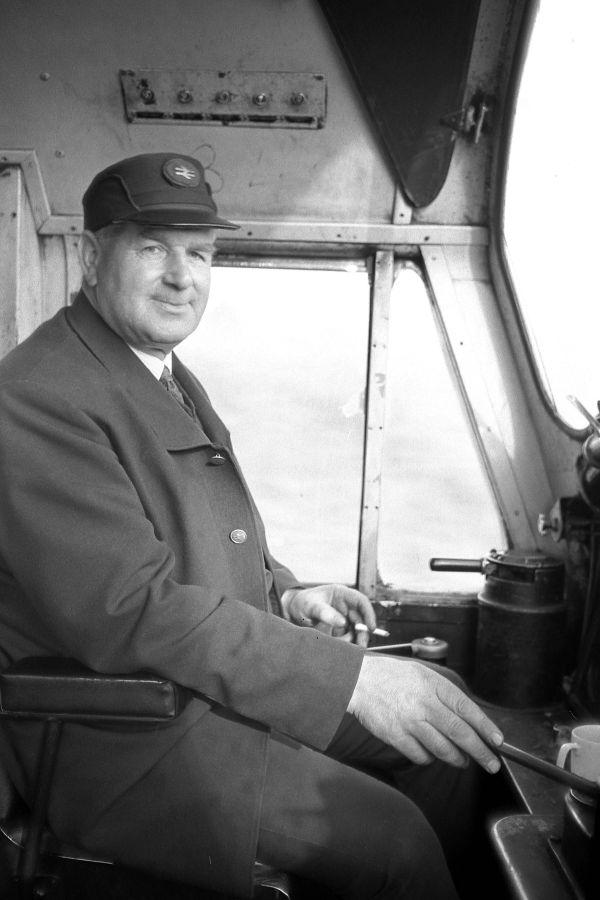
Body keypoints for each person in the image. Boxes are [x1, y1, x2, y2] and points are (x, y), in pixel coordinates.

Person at [0, 152, 503, 900]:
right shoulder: (40, 396)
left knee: (448, 728)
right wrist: (352, 680)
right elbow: (131, 610)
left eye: (200, 253)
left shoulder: (153, 367)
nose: (182, 277)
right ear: (89, 254)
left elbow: (200, 537)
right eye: (152, 248)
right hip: (125, 736)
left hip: (203, 690)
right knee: (396, 841)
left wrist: (290, 594)